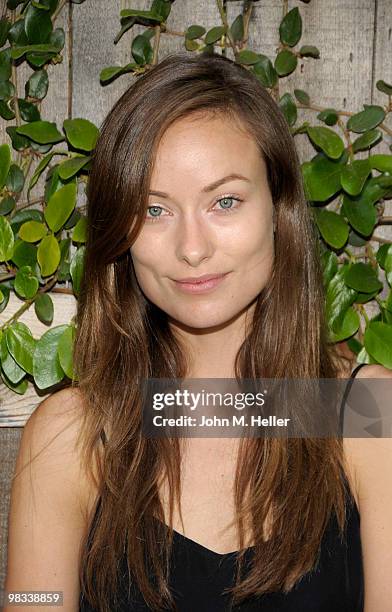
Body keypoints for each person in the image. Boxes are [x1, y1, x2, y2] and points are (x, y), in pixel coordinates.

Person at [4, 52, 392, 612]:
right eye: (154, 210)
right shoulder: (73, 433)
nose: (191, 248)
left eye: (225, 201)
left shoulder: (364, 413)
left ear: (279, 210)